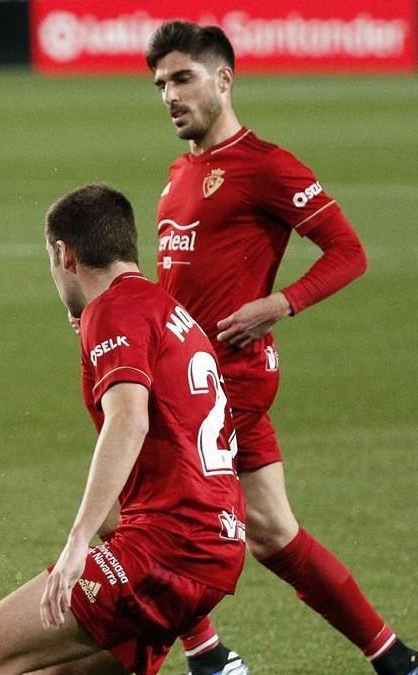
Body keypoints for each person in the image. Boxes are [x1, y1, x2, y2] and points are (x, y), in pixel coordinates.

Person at [144, 21, 417, 675]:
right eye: (160, 84)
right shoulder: (182, 172)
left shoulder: (265, 166)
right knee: (273, 533)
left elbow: (348, 252)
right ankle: (395, 658)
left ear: (224, 79)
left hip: (222, 380)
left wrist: (280, 302)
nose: (169, 95)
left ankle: (208, 656)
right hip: (194, 374)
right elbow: (177, 283)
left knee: (137, 505)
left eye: (183, 78)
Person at [0, 184, 246, 675]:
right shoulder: (167, 312)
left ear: (65, 255)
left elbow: (130, 419)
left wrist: (77, 543)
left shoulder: (114, 310)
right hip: (216, 548)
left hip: (169, 546)